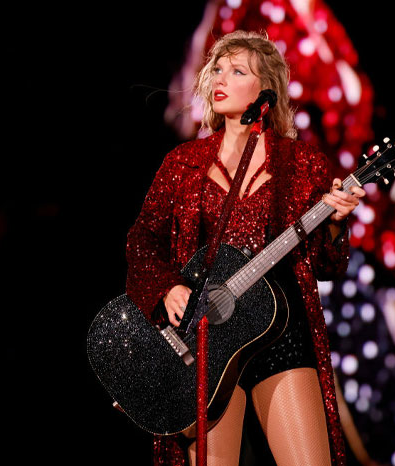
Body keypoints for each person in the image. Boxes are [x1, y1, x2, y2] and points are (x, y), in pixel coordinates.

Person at [125, 30, 366, 466]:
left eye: (237, 71)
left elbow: (329, 263)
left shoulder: (303, 162)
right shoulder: (183, 163)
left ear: (266, 90)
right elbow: (143, 241)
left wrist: (333, 224)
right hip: (210, 336)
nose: (220, 77)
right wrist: (166, 288)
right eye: (217, 67)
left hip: (281, 329)